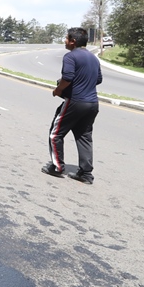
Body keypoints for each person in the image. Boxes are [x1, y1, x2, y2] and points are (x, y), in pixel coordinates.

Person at [42, 27, 102, 184]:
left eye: (66, 38)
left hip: (76, 102)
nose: (65, 41)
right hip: (92, 103)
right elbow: (98, 79)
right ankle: (86, 174)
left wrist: (58, 90)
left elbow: (67, 77)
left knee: (55, 134)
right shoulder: (93, 58)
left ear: (73, 41)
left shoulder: (70, 56)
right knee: (84, 136)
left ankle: (57, 167)